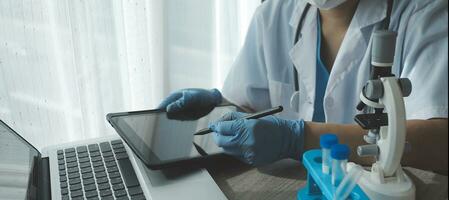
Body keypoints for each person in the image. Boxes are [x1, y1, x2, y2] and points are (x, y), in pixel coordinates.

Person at [158, 0, 448, 173]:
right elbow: (249, 107)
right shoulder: (275, 12)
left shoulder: (425, 14)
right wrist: (217, 105)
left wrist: (297, 138)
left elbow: (440, 140)